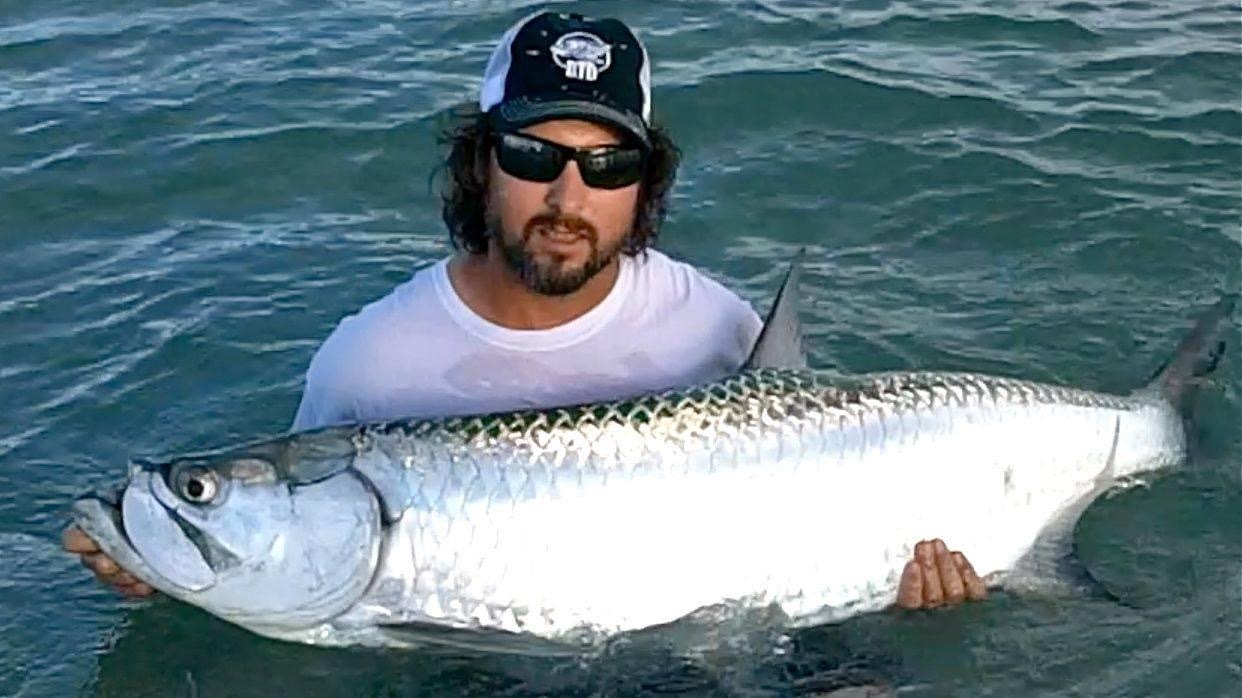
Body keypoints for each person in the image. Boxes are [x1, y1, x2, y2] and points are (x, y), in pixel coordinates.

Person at [63, 11, 986, 611]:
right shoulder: (368, 363)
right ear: (481, 164)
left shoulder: (713, 322)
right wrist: (174, 577)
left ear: (645, 185)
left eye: (609, 165)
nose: (570, 195)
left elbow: (817, 474)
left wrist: (916, 589)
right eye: (536, 157)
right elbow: (300, 557)